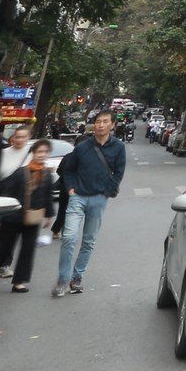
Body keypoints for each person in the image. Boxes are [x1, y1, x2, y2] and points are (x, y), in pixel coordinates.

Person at [53, 109, 126, 298]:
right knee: (69, 237)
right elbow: (68, 170)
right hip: (77, 197)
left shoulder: (118, 147)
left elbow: (119, 172)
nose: (100, 125)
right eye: (98, 121)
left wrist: (107, 192)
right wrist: (70, 189)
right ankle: (62, 279)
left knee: (88, 241)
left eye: (104, 121)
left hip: (98, 199)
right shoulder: (82, 147)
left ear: (112, 125)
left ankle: (76, 278)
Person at [0, 138, 57, 294]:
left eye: (45, 152)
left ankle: (19, 282)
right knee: (2, 251)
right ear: (33, 153)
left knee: (28, 250)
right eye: (39, 152)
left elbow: (48, 197)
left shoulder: (47, 176)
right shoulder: (20, 173)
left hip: (33, 218)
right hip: (12, 217)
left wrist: (50, 216)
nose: (41, 155)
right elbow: (7, 194)